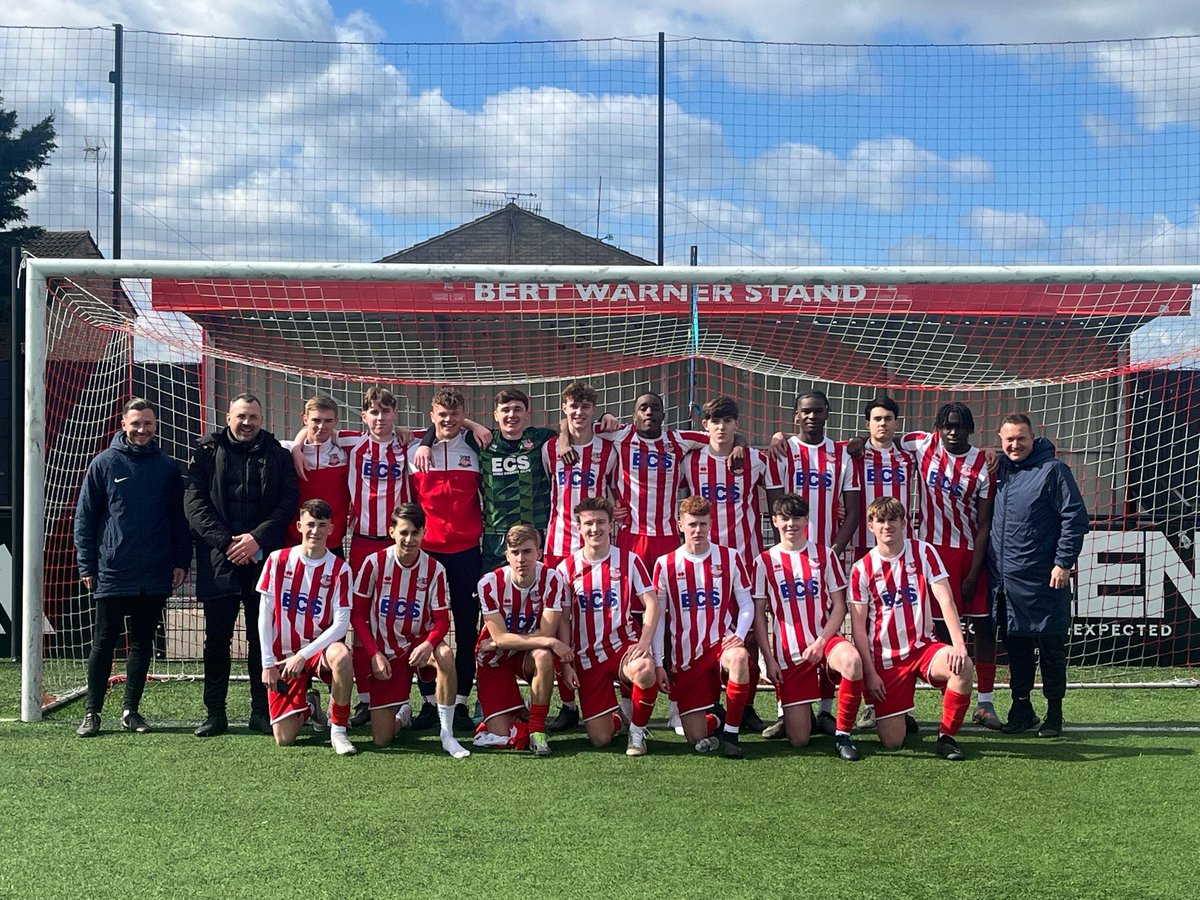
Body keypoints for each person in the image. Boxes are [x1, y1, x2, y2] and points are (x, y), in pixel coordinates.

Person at [73, 398, 191, 737]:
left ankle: (131, 711)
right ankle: (92, 712)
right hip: (113, 569)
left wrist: (180, 561)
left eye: (148, 424)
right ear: (124, 424)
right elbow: (86, 518)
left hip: (155, 570)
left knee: (142, 643)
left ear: (156, 427)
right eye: (136, 423)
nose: (142, 430)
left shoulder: (167, 468)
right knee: (104, 642)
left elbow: (178, 521)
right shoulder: (104, 463)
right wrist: (87, 563)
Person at [185, 393, 299, 737]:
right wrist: (229, 543)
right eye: (241, 416)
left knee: (261, 639)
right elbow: (194, 503)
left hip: (263, 560)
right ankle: (215, 714)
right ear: (228, 417)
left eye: (253, 417)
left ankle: (261, 712)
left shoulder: (278, 455)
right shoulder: (206, 452)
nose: (247, 423)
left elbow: (288, 501)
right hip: (220, 560)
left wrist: (256, 540)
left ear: (261, 420)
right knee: (216, 640)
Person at [763, 390, 861, 738]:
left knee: (828, 628)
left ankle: (825, 710)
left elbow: (853, 511)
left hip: (827, 557)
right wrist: (788, 552)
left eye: (818, 411)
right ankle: (783, 709)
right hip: (789, 559)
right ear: (795, 416)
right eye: (805, 411)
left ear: (827, 414)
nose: (811, 416)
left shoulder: (842, 454)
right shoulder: (781, 451)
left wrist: (831, 552)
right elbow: (777, 508)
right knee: (787, 628)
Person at [848, 497, 975, 761]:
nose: (887, 526)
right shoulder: (862, 569)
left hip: (923, 648)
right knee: (893, 742)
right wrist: (870, 674)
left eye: (893, 519)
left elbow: (945, 599)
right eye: (880, 521)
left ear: (904, 523)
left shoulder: (924, 552)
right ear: (871, 526)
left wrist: (959, 645)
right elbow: (858, 629)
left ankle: (947, 737)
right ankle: (900, 714)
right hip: (886, 659)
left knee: (963, 666)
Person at [899, 402, 999, 729]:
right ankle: (948, 699)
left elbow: (984, 523)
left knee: (983, 626)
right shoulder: (921, 445)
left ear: (970, 428)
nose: (953, 432)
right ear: (938, 428)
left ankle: (986, 702)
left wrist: (974, 571)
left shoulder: (983, 462)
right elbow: (880, 440)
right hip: (932, 553)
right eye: (947, 426)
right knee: (940, 629)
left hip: (971, 553)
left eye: (959, 426)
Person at [990, 413, 1089, 738]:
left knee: (1050, 651)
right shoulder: (1000, 469)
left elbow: (1074, 518)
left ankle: (1055, 715)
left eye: (1021, 438)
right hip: (1007, 586)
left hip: (1045, 581)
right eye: (1009, 440)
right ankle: (1022, 710)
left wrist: (1063, 562)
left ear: (1034, 439)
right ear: (1001, 441)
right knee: (1016, 652)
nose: (1015, 445)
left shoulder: (1053, 470)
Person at [351, 502, 471, 759]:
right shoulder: (374, 564)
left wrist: (428, 644)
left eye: (415, 533)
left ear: (424, 533)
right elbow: (357, 613)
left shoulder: (435, 569)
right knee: (382, 740)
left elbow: (441, 621)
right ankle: (403, 715)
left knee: (446, 655)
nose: (409, 539)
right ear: (392, 531)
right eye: (403, 532)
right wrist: (374, 653)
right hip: (386, 652)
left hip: (419, 645)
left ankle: (447, 734)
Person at [751, 493, 864, 762]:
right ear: (775, 522)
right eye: (785, 518)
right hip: (789, 653)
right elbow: (758, 613)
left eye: (797, 517)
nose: (791, 524)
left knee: (852, 661)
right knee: (799, 740)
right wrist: (768, 658)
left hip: (824, 643)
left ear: (807, 520)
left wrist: (822, 641)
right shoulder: (764, 561)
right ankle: (802, 713)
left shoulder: (824, 555)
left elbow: (839, 605)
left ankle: (842, 735)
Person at [556, 497, 661, 756]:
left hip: (621, 646)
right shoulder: (566, 568)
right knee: (600, 739)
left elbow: (652, 604)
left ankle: (637, 731)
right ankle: (618, 719)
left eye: (601, 522)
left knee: (644, 668)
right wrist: (567, 663)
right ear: (578, 527)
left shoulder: (629, 560)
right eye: (589, 523)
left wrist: (645, 642)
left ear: (611, 524)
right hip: (587, 656)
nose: (595, 529)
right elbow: (563, 620)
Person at [651, 497, 755, 758]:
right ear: (680, 525)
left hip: (721, 647)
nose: (698, 530)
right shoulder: (666, 564)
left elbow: (746, 603)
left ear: (711, 525)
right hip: (686, 658)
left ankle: (731, 733)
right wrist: (658, 662)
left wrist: (739, 636)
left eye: (703, 524)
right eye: (692, 524)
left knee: (740, 657)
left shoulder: (730, 557)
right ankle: (718, 717)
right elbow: (658, 617)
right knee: (695, 738)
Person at [256, 499, 356, 755]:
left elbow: (341, 623)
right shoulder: (277, 560)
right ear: (299, 526)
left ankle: (338, 729)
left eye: (322, 525)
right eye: (310, 524)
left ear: (332, 529)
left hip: (318, 653)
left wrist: (304, 655)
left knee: (343, 657)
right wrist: (268, 663)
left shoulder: (340, 569)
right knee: (284, 739)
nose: (315, 531)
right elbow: (264, 615)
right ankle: (311, 706)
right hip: (283, 657)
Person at [474, 525, 572, 756]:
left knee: (544, 656)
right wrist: (546, 640)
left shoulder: (553, 579)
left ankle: (537, 729)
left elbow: (544, 634)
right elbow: (501, 638)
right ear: (506, 554)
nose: (521, 559)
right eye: (515, 552)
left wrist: (505, 641)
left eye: (527, 552)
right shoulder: (488, 584)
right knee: (501, 736)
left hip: (523, 655)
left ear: (539, 553)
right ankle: (522, 714)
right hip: (493, 659)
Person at [284, 395, 351, 555]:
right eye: (316, 420)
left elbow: (379, 436)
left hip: (333, 541)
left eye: (328, 421)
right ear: (305, 419)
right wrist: (295, 449)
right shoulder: (285, 451)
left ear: (336, 422)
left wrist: (397, 430)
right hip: (295, 540)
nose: (321, 426)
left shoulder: (347, 451)